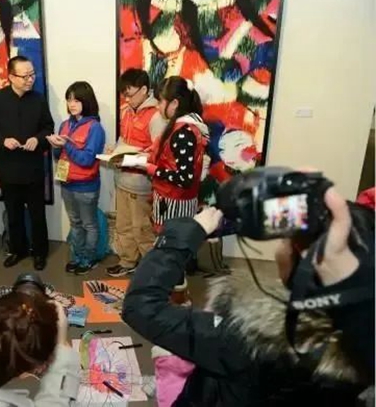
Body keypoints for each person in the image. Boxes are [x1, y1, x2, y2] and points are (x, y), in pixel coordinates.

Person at [122, 190, 374, 406]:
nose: (280, 247)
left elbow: (141, 306)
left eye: (284, 242)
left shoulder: (248, 337)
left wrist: (183, 235)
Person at [0, 56, 55, 271]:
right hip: (8, 168)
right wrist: (2, 141)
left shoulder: (38, 100)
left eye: (32, 75)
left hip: (33, 169)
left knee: (37, 214)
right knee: (13, 214)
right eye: (25, 76)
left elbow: (48, 127)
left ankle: (39, 253)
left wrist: (37, 139)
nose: (30, 79)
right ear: (11, 77)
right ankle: (18, 250)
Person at [107, 68, 165, 277]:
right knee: (123, 226)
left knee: (142, 229)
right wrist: (115, 151)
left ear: (144, 90)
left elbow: (158, 155)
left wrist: (130, 158)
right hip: (122, 180)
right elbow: (123, 140)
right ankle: (127, 261)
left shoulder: (156, 116)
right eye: (124, 94)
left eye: (129, 94)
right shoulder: (126, 112)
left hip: (142, 184)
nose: (127, 98)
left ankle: (150, 270)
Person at [47, 81, 106, 275]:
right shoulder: (65, 124)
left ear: (86, 101)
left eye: (76, 100)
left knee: (89, 224)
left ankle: (89, 259)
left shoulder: (95, 127)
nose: (71, 104)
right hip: (67, 183)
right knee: (75, 223)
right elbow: (59, 157)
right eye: (69, 100)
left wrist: (66, 145)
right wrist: (56, 147)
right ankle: (77, 256)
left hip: (86, 186)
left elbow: (87, 160)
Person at [136, 76, 208, 232]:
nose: (157, 106)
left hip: (175, 204)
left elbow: (185, 179)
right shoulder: (182, 126)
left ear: (174, 103)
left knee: (171, 245)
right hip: (171, 200)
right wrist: (155, 151)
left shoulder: (184, 132)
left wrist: (153, 169)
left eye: (160, 101)